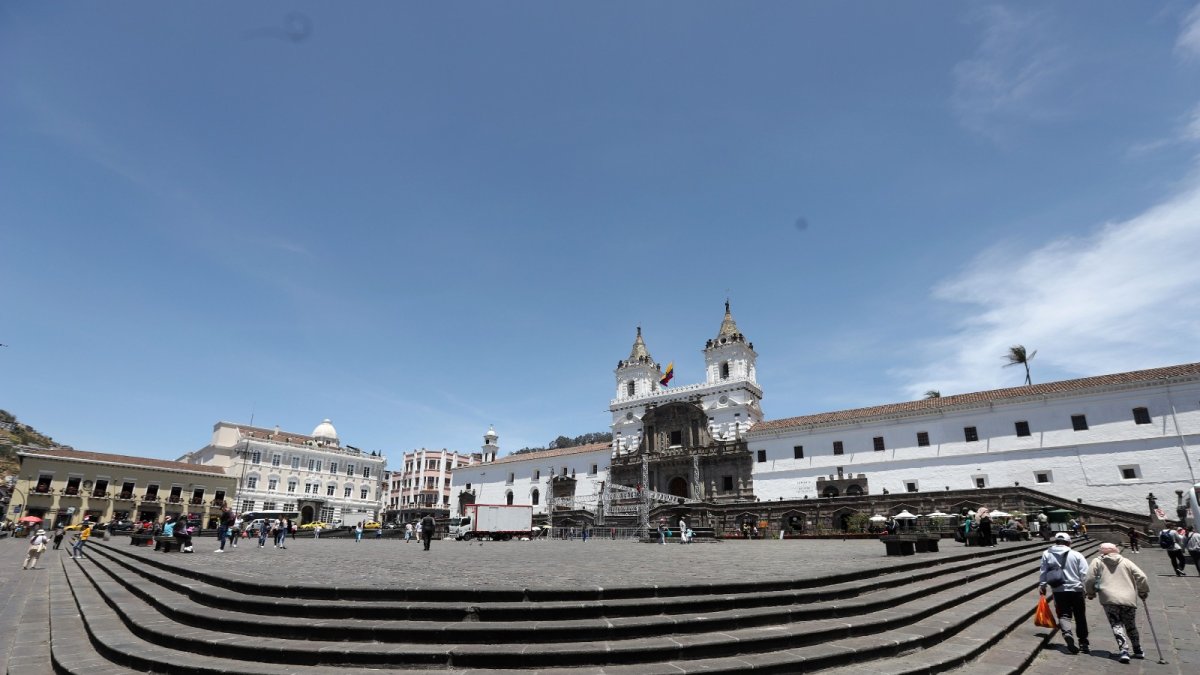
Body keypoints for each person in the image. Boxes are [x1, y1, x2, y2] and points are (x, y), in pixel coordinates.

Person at [1084, 542, 1149, 663]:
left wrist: (1091, 592)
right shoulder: (1125, 561)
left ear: (1102, 551)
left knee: (1116, 624)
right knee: (1131, 624)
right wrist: (1143, 591)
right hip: (1128, 598)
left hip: (1109, 598)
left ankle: (1124, 650)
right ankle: (1138, 649)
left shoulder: (1097, 561)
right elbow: (1142, 576)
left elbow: (1089, 579)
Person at [1039, 532, 1090, 654]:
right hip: (1076, 590)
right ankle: (1083, 643)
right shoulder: (1076, 554)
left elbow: (1043, 571)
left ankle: (1067, 633)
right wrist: (1088, 589)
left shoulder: (1047, 554)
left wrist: (1042, 585)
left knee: (1063, 614)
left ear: (1056, 542)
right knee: (1080, 616)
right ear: (1068, 542)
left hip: (1059, 590)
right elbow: (1085, 573)